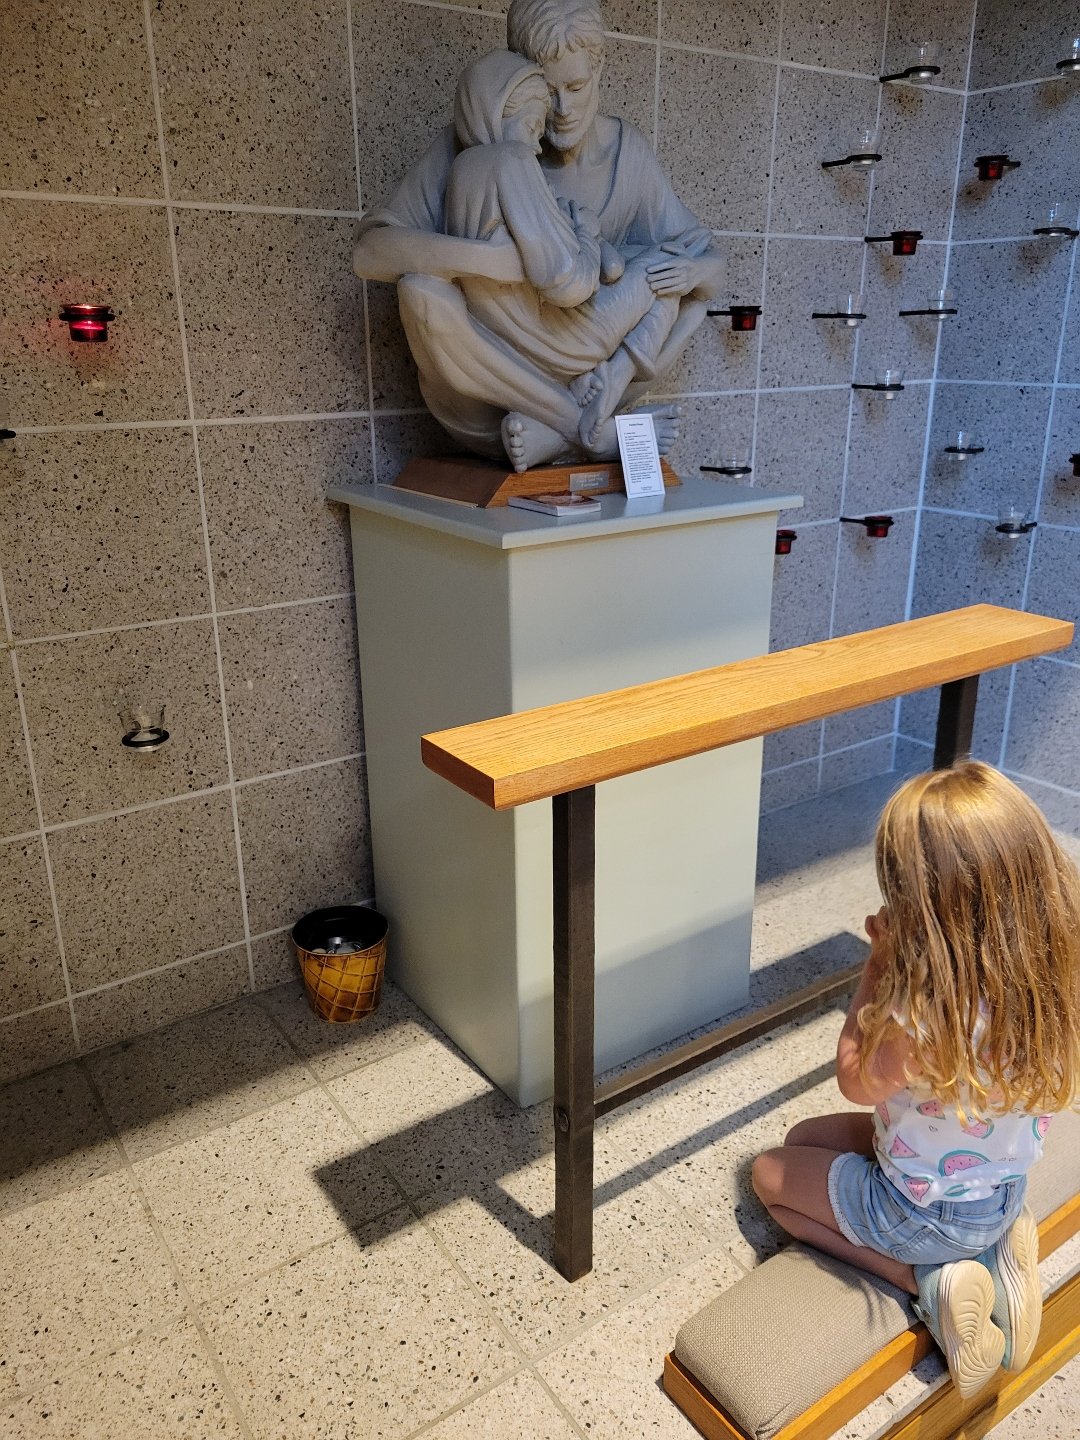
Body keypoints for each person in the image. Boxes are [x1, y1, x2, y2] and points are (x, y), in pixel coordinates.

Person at [751, 762, 1080, 1398]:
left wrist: (877, 962)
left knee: (769, 1174)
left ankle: (930, 1282)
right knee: (805, 1133)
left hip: (920, 1213)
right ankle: (999, 1248)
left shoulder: (924, 1014)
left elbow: (853, 1079)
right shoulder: (1041, 984)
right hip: (999, 1189)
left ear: (930, 908)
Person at [353, 0, 725, 470]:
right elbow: (371, 251)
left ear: (599, 67)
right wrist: (488, 262)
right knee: (420, 294)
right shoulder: (481, 145)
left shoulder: (625, 152)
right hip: (498, 380)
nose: (563, 110)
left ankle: (560, 431)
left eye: (576, 85)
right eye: (549, 92)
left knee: (682, 286)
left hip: (589, 352)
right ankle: (584, 431)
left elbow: (708, 266)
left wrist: (690, 269)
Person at [444, 50, 709, 456]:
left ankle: (557, 430)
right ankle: (612, 384)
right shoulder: (511, 161)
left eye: (575, 87)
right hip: (556, 334)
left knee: (660, 263)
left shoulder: (462, 171)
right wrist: (585, 233)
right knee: (667, 260)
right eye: (534, 123)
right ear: (497, 113)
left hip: (510, 332)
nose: (538, 142)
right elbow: (569, 284)